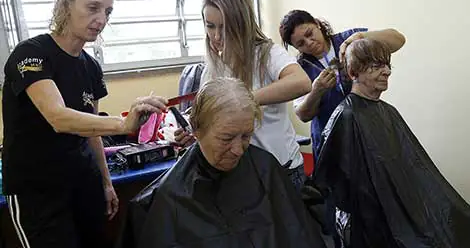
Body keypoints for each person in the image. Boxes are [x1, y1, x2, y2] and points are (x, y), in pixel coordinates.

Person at [1, 0, 167, 248]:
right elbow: (58, 117)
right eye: (92, 8)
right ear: (67, 4)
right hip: (37, 190)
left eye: (108, 12)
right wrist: (123, 124)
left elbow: (91, 130)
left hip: (82, 180)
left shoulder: (90, 67)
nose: (101, 20)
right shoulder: (31, 54)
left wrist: (105, 182)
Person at [117, 77, 328, 248]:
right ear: (196, 130)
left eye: (246, 136)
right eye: (226, 138)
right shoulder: (164, 200)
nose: (238, 150)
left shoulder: (266, 169)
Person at [313, 38, 470, 248]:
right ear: (353, 73)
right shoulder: (346, 116)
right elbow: (334, 181)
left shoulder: (388, 112)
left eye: (387, 65)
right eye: (376, 66)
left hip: (400, 210)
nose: (387, 71)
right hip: (372, 220)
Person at [175, 0, 312, 191]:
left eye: (225, 27)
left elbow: (301, 82)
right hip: (239, 176)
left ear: (241, 23)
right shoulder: (212, 69)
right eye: (210, 26)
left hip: (281, 172)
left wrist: (244, 99)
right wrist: (193, 133)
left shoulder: (266, 54)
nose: (217, 36)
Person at [279, 9, 406, 160]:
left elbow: (398, 40)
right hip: (330, 142)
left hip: (367, 131)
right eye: (301, 44)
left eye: (309, 34)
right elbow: (303, 115)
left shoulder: (350, 42)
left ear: (317, 24)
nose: (309, 43)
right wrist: (317, 91)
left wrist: (362, 37)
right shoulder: (300, 68)